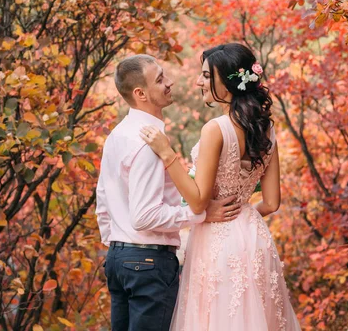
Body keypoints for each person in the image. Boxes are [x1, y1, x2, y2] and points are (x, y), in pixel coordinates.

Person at [140, 43, 302, 330]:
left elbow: (198, 202)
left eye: (205, 76)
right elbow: (272, 202)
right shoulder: (266, 129)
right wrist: (243, 216)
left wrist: (167, 154)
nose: (199, 82)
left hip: (218, 243)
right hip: (255, 240)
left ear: (226, 83)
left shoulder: (215, 129)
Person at [95, 54, 242, 331]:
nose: (169, 83)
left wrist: (119, 244)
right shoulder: (148, 142)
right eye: (160, 79)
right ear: (140, 93)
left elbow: (102, 201)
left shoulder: (117, 134)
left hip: (117, 261)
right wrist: (199, 214)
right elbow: (144, 216)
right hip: (148, 263)